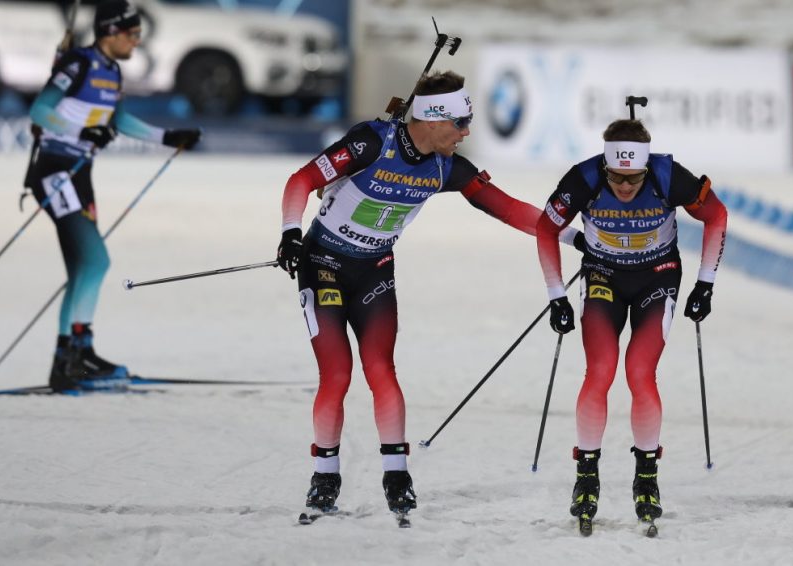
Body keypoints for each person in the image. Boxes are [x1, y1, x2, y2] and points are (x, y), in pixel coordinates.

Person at [276, 70, 583, 520]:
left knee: (382, 370)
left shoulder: (448, 168)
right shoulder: (369, 144)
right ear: (434, 119)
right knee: (337, 374)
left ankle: (397, 475)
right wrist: (290, 235)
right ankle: (325, 477)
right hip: (321, 266)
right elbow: (300, 181)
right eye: (460, 123)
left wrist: (577, 239)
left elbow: (509, 208)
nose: (467, 132)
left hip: (375, 270)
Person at [534, 117, 727, 531]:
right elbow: (545, 227)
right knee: (600, 371)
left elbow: (717, 215)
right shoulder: (583, 178)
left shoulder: (667, 176)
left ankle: (647, 477)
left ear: (645, 167)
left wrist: (705, 285)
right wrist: (556, 295)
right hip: (602, 276)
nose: (624, 187)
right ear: (605, 168)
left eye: (633, 178)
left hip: (657, 277)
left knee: (641, 374)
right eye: (616, 178)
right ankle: (586, 475)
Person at [24, 0, 201, 392]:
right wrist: (80, 133)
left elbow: (116, 121)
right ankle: (70, 359)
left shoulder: (112, 71)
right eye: (133, 34)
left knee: (83, 268)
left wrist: (167, 137)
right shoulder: (79, 64)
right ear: (111, 32)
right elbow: (40, 111)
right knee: (95, 260)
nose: (137, 42)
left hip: (80, 175)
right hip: (56, 171)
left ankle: (74, 354)